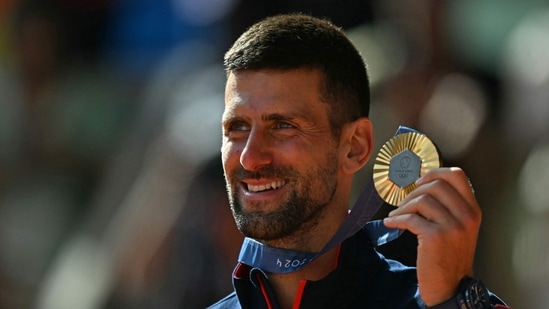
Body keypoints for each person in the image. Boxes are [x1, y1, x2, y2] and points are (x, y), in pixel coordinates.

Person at [209, 14, 509, 309]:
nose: (250, 156)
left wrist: (453, 302)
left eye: (283, 126)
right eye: (237, 128)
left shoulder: (439, 301)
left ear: (355, 146)